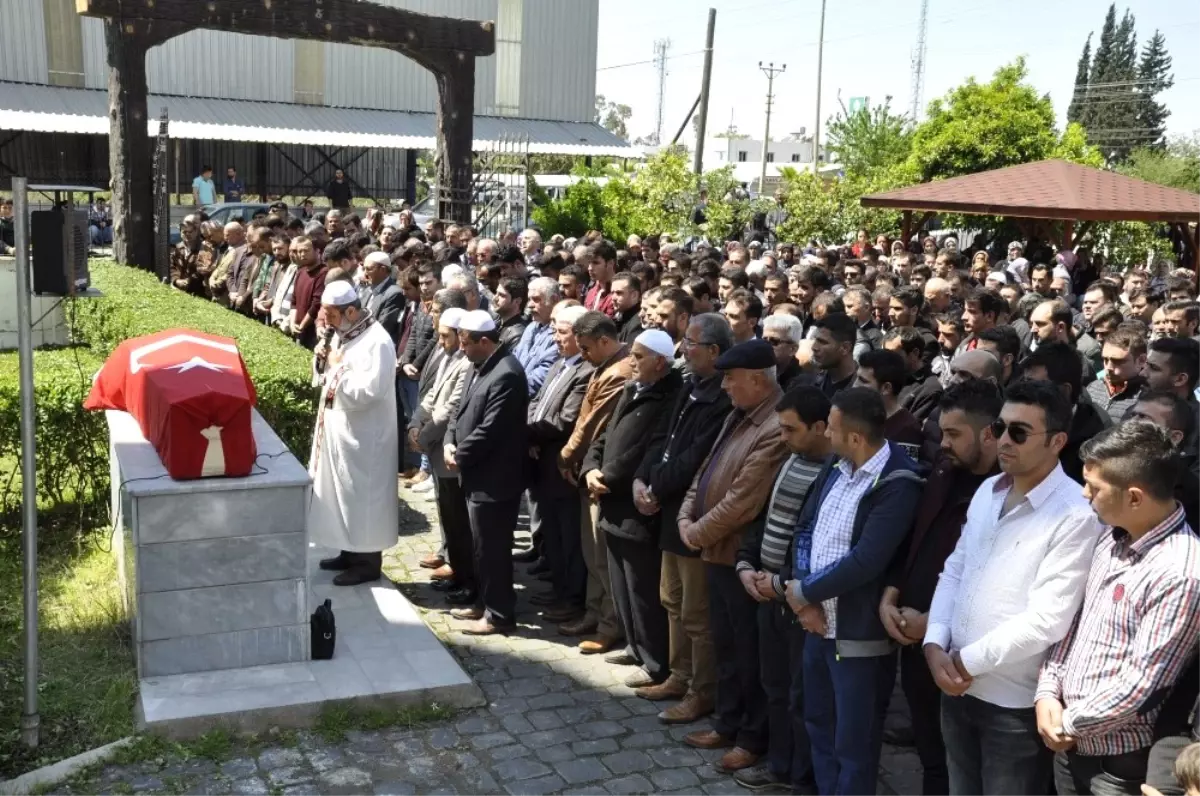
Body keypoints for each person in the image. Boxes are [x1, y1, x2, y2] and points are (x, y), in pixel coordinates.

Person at [923, 379, 1102, 796]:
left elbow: (1048, 619)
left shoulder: (1076, 514)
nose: (1003, 440)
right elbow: (955, 569)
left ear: (1058, 441)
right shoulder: (988, 489)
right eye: (999, 428)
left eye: (1019, 432)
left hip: (1012, 706)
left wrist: (962, 663)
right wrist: (934, 643)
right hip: (955, 686)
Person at [1033, 422, 1200, 796]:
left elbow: (1144, 685)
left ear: (1135, 497)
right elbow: (1072, 626)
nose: (1084, 494)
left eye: (1095, 488)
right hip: (1068, 741)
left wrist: (1069, 723)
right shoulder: (1111, 539)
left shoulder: (1182, 572)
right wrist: (1047, 691)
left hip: (1116, 765)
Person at [783, 387, 923, 796]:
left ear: (857, 438)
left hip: (856, 636)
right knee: (818, 724)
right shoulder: (836, 465)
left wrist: (804, 592)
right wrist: (802, 596)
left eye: (834, 428)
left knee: (853, 742)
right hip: (816, 623)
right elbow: (805, 528)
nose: (826, 434)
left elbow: (866, 561)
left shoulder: (899, 483)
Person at [883, 380, 1004, 796]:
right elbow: (916, 539)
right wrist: (891, 592)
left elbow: (989, 583)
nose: (943, 443)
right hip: (914, 636)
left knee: (963, 766)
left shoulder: (1004, 494)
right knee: (930, 753)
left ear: (989, 431)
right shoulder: (942, 472)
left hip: (961, 654)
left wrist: (934, 623)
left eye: (953, 434)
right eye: (941, 432)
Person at [678, 339, 789, 775]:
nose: (724, 386)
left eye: (731, 379)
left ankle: (751, 736)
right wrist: (689, 518)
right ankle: (728, 722)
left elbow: (744, 500)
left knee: (749, 654)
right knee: (726, 644)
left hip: (740, 558)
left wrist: (696, 534)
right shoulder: (739, 415)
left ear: (758, 381)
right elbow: (704, 473)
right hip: (713, 551)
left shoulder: (776, 426)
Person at [631, 313, 734, 721]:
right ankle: (679, 674)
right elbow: (662, 439)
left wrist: (655, 488)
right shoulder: (689, 386)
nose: (682, 349)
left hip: (692, 513)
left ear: (713, 351)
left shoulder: (721, 397)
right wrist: (642, 478)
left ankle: (701, 690)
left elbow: (697, 458)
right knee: (670, 598)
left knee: (696, 612)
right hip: (667, 509)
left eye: (691, 343)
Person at [732, 386, 832, 794]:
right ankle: (779, 765)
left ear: (822, 427)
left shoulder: (833, 474)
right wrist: (745, 563)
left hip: (798, 600)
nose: (784, 437)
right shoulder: (790, 460)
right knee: (773, 687)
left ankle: (801, 777)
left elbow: (818, 544)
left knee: (801, 696)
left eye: (791, 430)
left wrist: (782, 582)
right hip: (765, 592)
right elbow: (765, 518)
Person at [582, 329, 682, 689]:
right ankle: (635, 645)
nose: (631, 362)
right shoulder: (632, 387)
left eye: (638, 357)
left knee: (642, 589)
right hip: (610, 499)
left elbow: (645, 451)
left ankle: (655, 662)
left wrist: (606, 476)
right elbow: (606, 436)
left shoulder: (671, 395)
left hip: (633, 505)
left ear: (659, 361)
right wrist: (590, 467)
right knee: (620, 584)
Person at [444, 310, 529, 636]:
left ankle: (499, 615)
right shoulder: (476, 365)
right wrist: (450, 441)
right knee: (480, 547)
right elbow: (459, 410)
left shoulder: (507, 373)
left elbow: (491, 429)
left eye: (466, 343)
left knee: (492, 550)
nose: (461, 349)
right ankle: (483, 602)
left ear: (484, 341)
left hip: (495, 480)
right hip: (475, 474)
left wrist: (460, 455)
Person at [310, 281, 400, 586]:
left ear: (351, 310)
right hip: (340, 429)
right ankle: (347, 551)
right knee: (341, 494)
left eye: (332, 316)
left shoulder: (378, 341)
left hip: (366, 436)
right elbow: (327, 373)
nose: (329, 323)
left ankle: (367, 562)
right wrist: (322, 358)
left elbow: (370, 392)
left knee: (363, 498)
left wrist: (336, 369)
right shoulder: (344, 333)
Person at [557, 312, 636, 649]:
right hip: (586, 469)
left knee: (602, 556)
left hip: (601, 473)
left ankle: (610, 624)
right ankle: (593, 612)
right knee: (591, 553)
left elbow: (591, 424)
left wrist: (566, 456)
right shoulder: (604, 365)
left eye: (586, 348)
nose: (583, 355)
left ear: (606, 341)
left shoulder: (620, 373)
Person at [527, 304, 595, 625]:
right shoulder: (559, 363)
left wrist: (527, 434)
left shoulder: (585, 371)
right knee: (552, 534)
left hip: (561, 465)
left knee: (570, 539)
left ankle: (572, 598)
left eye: (563, 332)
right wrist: (530, 433)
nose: (555, 338)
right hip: (542, 462)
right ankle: (557, 588)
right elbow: (537, 404)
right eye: (554, 330)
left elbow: (565, 420)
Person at [408, 306, 474, 602]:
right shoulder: (447, 355)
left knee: (458, 520)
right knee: (446, 515)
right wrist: (414, 422)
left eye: (445, 336)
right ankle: (456, 568)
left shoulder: (466, 363)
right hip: (433, 444)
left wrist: (423, 436)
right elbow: (433, 395)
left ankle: (464, 575)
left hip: (448, 451)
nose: (440, 340)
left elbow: (452, 408)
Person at [856, 349, 923, 459]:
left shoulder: (907, 431)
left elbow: (903, 474)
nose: (855, 386)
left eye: (863, 381)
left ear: (886, 388)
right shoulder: (858, 416)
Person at [1085, 325, 1146, 425]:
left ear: (1141, 361)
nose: (1108, 367)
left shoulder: (1146, 398)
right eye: (1105, 360)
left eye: (1118, 361)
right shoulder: (1093, 388)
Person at [513, 277, 562, 397]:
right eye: (529, 299)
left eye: (536, 299)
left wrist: (510, 392)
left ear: (554, 300)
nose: (529, 305)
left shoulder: (559, 334)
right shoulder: (531, 327)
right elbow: (514, 359)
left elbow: (541, 377)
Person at [885, 326, 943, 423]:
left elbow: (910, 428)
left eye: (894, 355)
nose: (887, 360)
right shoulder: (887, 377)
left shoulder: (930, 390)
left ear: (915, 353)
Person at [800, 313, 860, 398]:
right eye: (815, 340)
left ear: (845, 348)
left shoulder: (862, 391)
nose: (814, 347)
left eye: (823, 342)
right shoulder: (809, 381)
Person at [287, 236, 327, 350]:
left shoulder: (323, 272)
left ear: (317, 251)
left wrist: (302, 326)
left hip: (311, 332)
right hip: (297, 328)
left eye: (306, 250)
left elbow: (316, 304)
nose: (302, 254)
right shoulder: (300, 271)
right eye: (299, 251)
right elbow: (294, 301)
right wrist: (292, 322)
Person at [359, 251, 405, 344]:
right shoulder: (367, 290)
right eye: (364, 269)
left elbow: (383, 327)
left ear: (383, 269)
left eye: (369, 269)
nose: (365, 274)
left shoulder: (394, 294)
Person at [169, 214, 217, 297]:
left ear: (196, 231)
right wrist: (176, 280)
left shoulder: (205, 248)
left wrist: (188, 281)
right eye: (184, 232)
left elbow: (203, 270)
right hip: (178, 290)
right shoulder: (178, 248)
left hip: (198, 293)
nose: (187, 234)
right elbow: (172, 266)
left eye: (190, 232)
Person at [762, 314, 804, 390]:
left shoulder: (802, 384)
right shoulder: (752, 371)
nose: (766, 345)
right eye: (763, 340)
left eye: (774, 341)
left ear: (793, 349)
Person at [493, 277, 528, 348]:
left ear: (517, 301)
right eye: (496, 293)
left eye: (502, 295)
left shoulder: (517, 335)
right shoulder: (497, 322)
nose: (495, 298)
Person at [585, 242, 618, 317]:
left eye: (596, 263)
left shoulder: (618, 294)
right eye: (589, 263)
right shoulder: (591, 292)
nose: (590, 268)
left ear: (610, 263)